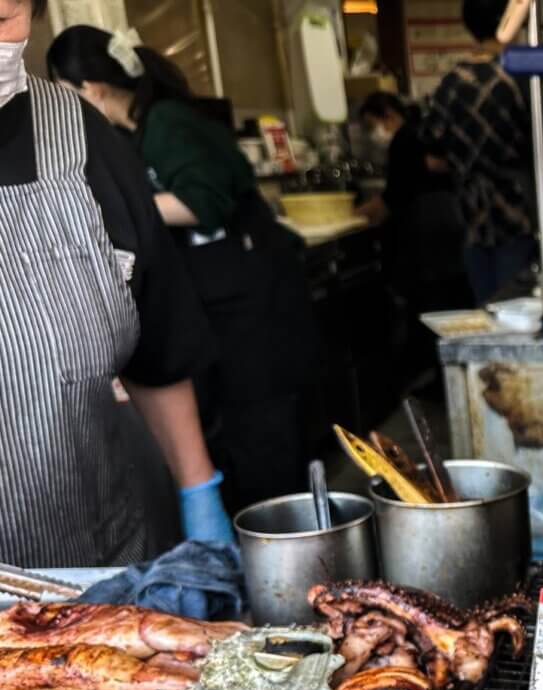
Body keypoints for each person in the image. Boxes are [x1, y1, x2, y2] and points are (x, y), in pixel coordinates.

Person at [48, 23, 321, 513]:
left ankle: (292, 547)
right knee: (242, 445)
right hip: (224, 310)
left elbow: (202, 203)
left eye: (63, 94)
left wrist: (123, 210)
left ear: (90, 89)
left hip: (253, 311)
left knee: (266, 449)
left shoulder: (167, 122)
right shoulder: (136, 132)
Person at [0, 0, 230, 566]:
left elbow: (159, 345)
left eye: (2, 20)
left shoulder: (81, 136)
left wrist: (199, 494)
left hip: (92, 572)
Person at [421, 0, 537, 305]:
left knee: (486, 317)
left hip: (472, 219)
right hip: (517, 216)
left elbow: (433, 161)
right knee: (517, 312)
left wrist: (469, 163)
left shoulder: (451, 81)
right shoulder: (520, 75)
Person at [358, 92, 469, 380]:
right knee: (449, 299)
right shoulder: (422, 133)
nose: (374, 134)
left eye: (373, 126)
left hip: (427, 233)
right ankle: (448, 370)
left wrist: (360, 213)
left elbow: (395, 194)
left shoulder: (403, 140)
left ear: (388, 116)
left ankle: (434, 374)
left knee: (430, 304)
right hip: (450, 224)